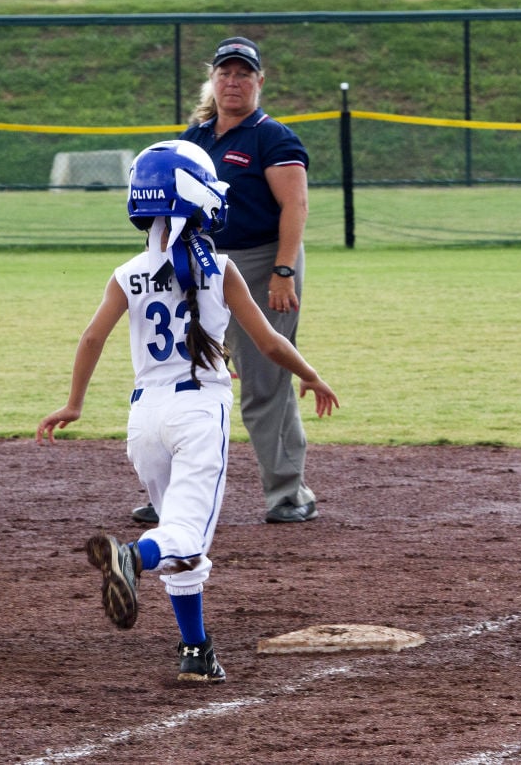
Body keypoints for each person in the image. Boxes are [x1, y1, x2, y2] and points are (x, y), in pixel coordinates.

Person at [37, 141, 338, 682]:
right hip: (198, 414)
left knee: (181, 534)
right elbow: (268, 342)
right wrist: (311, 375)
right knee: (182, 537)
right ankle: (131, 556)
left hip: (143, 420)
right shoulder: (218, 267)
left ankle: (195, 651)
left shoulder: (127, 272)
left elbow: (91, 337)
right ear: (199, 200)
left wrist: (74, 404)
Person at [130, 37, 318, 528]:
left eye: (243, 73)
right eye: (225, 72)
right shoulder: (194, 138)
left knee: (264, 379)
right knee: (179, 373)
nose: (233, 81)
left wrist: (283, 270)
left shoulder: (271, 137)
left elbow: (294, 206)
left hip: (259, 263)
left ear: (259, 81)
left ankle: (287, 493)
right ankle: (166, 491)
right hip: (198, 259)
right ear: (212, 79)